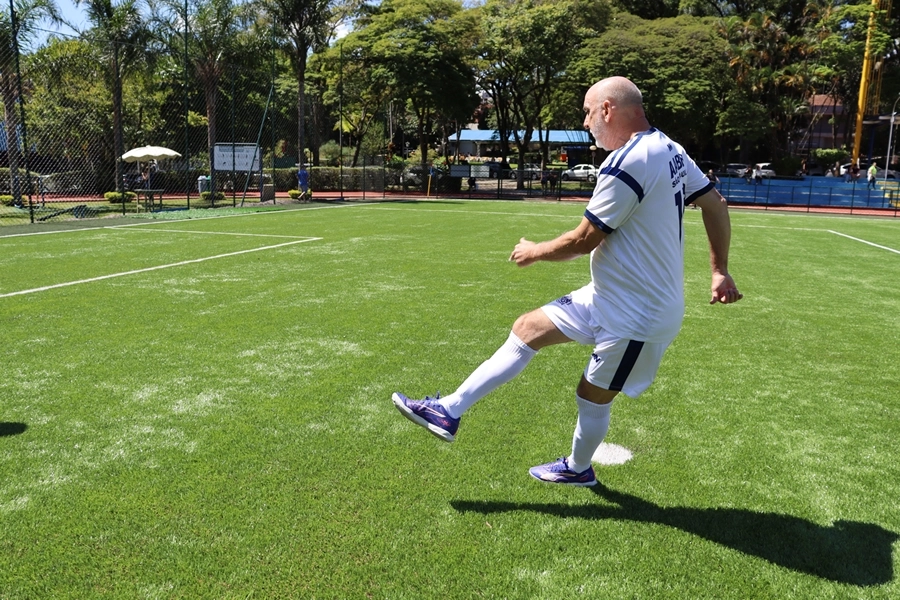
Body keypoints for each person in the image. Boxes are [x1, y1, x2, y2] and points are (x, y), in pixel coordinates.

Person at [391, 76, 743, 487]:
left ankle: (578, 468)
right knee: (527, 328)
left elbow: (583, 239)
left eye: (588, 112)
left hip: (638, 316)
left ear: (608, 109)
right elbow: (714, 204)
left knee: (591, 395)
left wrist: (533, 251)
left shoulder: (628, 159)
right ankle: (448, 410)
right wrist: (719, 269)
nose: (587, 121)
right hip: (611, 296)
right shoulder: (671, 149)